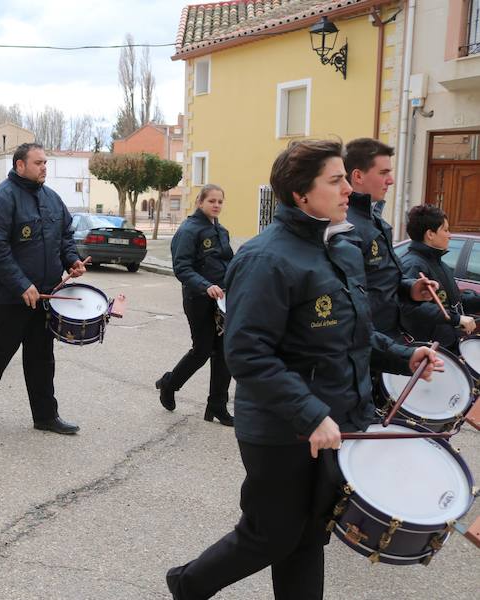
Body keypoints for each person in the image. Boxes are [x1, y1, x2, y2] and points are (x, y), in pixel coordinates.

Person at [165, 140, 440, 600]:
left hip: (338, 421)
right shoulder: (264, 259)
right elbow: (247, 353)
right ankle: (187, 584)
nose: (346, 189)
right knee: (269, 536)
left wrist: (401, 355)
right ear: (301, 194)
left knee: (311, 535)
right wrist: (309, 413)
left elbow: (353, 333)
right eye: (334, 180)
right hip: (280, 429)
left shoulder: (345, 247)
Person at [0, 143, 87, 433]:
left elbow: (64, 236)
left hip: (45, 295)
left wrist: (71, 260)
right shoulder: (1, 199)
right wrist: (22, 285)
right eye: (38, 163)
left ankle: (45, 416)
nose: (44, 167)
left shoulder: (52, 199)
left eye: (45, 162)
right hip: (6, 297)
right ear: (20, 165)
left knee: (41, 357)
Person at [343, 138, 438, 339]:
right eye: (383, 173)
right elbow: (348, 299)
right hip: (367, 343)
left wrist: (411, 288)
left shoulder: (373, 218)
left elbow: (382, 280)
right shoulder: (346, 224)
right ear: (358, 176)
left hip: (386, 338)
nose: (391, 180)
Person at [156, 184, 234, 426]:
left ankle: (217, 406)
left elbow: (227, 263)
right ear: (200, 202)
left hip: (221, 300)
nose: (217, 205)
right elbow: (182, 267)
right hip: (198, 299)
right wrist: (205, 285)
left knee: (224, 353)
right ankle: (169, 384)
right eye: (212, 201)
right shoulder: (189, 230)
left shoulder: (221, 230)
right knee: (202, 351)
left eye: (220, 201)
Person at [400, 205, 480, 350]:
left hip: (448, 346)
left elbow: (455, 303)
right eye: (445, 230)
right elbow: (410, 309)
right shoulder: (413, 265)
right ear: (430, 234)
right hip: (429, 351)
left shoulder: (439, 263)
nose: (450, 235)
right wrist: (457, 319)